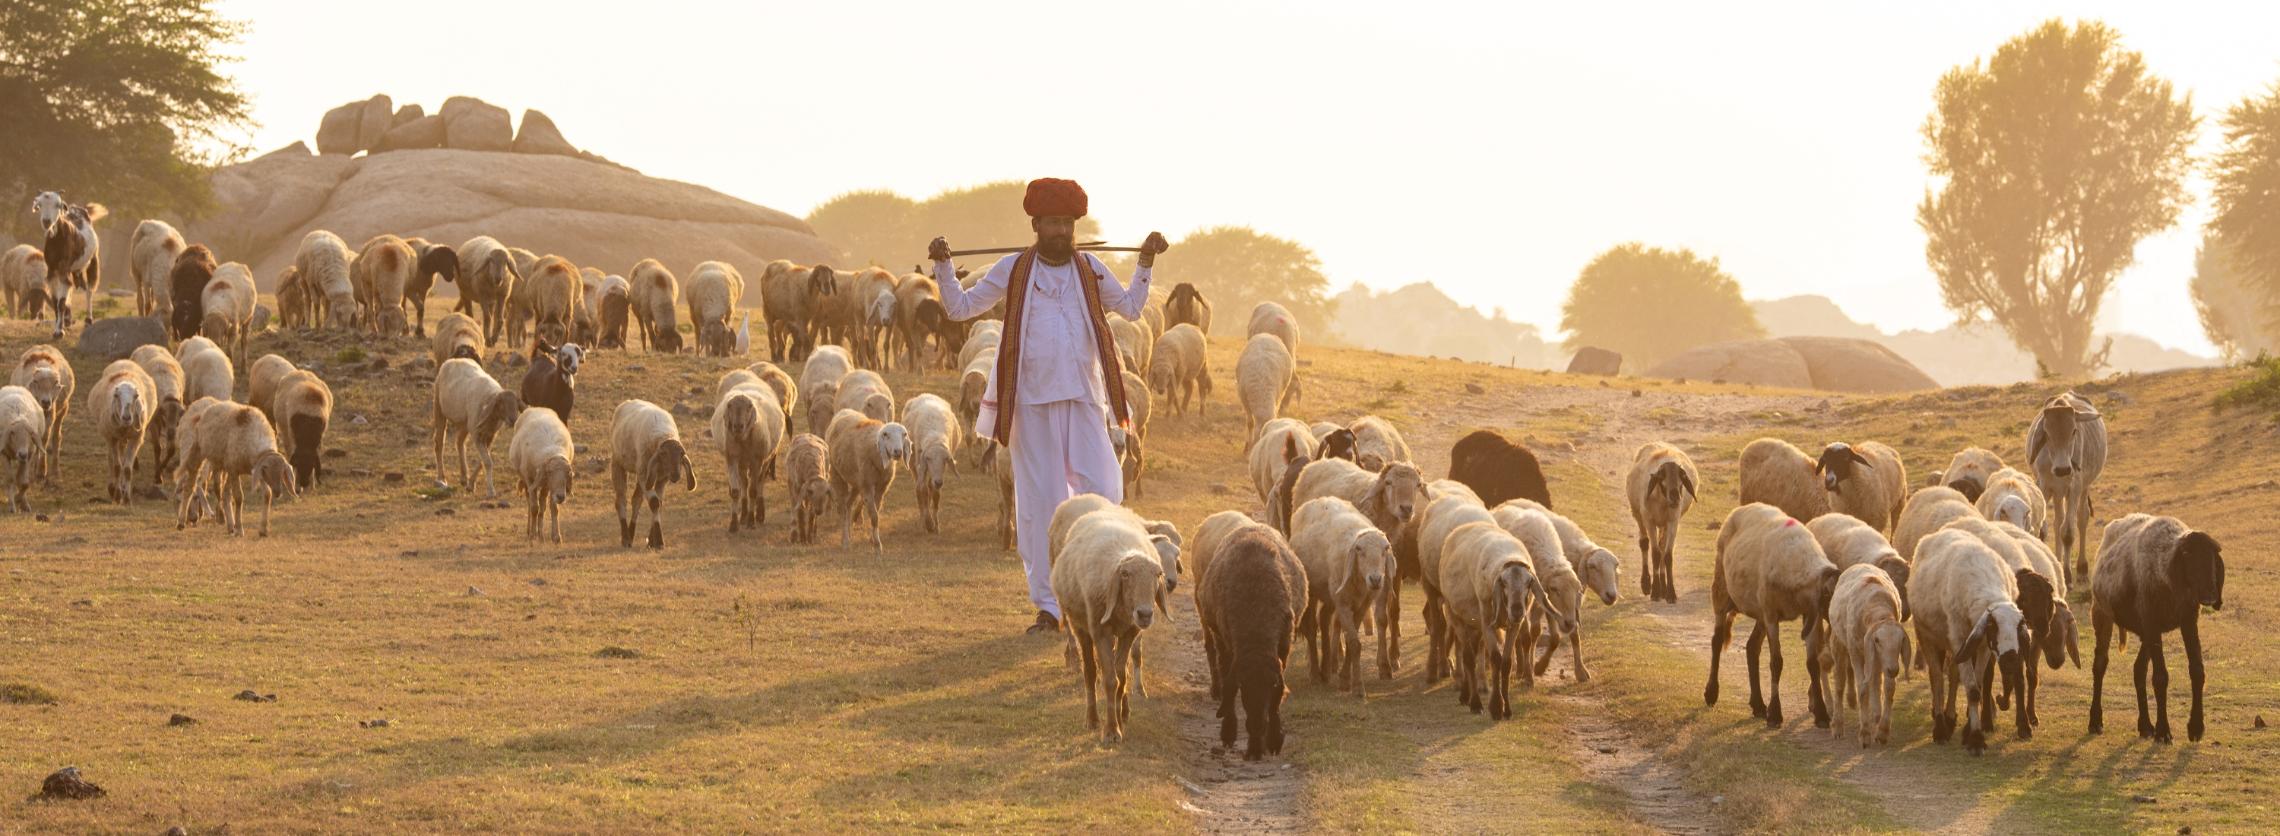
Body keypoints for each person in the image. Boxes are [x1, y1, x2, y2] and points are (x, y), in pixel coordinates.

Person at [927, 178, 1169, 634]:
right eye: (1052, 223)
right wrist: (943, 264)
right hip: (1030, 404)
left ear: (1075, 226)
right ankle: (1049, 607)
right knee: (1040, 505)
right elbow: (959, 308)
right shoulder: (1012, 268)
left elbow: (1134, 308)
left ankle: (1102, 587)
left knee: (1104, 491)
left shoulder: (1091, 268)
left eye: (1067, 223)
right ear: (1035, 224)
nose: (1060, 231)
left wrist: (1145, 262)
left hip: (1083, 397)